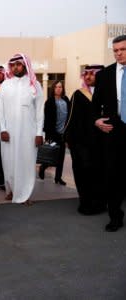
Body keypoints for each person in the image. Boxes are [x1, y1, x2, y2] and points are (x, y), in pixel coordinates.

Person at [0, 53, 44, 205]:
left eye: (18, 64)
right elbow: (0, 110)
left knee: (26, 162)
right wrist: (3, 129)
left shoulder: (34, 85)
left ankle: (25, 194)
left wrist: (39, 133)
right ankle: (11, 189)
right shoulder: (5, 85)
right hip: (8, 132)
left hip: (28, 133)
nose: (15, 67)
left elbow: (40, 111)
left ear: (25, 65)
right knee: (8, 161)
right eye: (13, 65)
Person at [92, 35, 126, 232]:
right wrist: (96, 120)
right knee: (113, 175)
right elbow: (95, 106)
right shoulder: (105, 74)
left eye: (122, 49)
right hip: (114, 129)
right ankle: (115, 216)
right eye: (115, 50)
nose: (119, 53)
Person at [66, 64, 105, 215]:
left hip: (102, 142)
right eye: (86, 74)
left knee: (100, 172)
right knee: (84, 172)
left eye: (92, 74)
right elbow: (70, 119)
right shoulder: (78, 94)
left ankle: (100, 202)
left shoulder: (106, 93)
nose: (88, 77)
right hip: (82, 142)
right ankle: (86, 203)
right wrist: (68, 137)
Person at [39, 80, 70, 185]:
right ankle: (43, 167)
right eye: (56, 87)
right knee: (51, 156)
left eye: (60, 87)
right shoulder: (49, 102)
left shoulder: (66, 100)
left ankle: (58, 178)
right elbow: (47, 120)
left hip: (63, 133)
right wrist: (48, 136)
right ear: (53, 89)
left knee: (61, 157)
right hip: (53, 133)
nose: (58, 89)